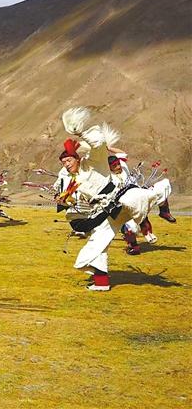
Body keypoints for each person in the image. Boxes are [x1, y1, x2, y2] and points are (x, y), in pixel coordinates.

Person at [57, 107, 173, 291]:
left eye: (68, 161)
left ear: (77, 158)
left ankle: (162, 210)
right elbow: (73, 200)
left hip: (121, 197)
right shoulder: (72, 180)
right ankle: (101, 283)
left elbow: (99, 144)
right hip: (105, 213)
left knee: (143, 197)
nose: (66, 165)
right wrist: (65, 201)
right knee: (96, 246)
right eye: (63, 163)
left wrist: (81, 133)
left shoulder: (94, 163)